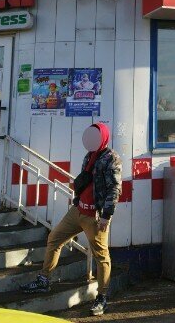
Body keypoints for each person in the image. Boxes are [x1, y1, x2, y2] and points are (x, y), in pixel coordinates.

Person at [22, 122, 121, 317]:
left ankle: (102, 298)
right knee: (54, 238)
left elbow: (115, 189)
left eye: (96, 135)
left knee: (101, 256)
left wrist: (106, 216)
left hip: (95, 216)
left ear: (103, 137)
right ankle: (44, 280)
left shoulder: (112, 158)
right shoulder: (89, 155)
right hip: (78, 211)